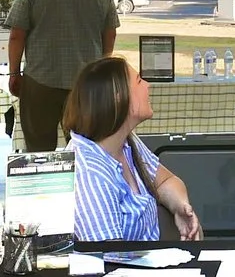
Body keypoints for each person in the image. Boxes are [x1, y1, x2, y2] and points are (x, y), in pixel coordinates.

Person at [65, 56, 202, 244]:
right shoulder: (90, 172)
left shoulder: (126, 142)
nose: (147, 85)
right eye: (138, 81)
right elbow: (108, 254)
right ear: (118, 97)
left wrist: (180, 206)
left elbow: (165, 181)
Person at [6, 0, 118, 153]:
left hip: (40, 82)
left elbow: (17, 34)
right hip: (85, 85)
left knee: (39, 152)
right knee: (86, 150)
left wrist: (14, 73)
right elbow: (110, 32)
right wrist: (102, 71)